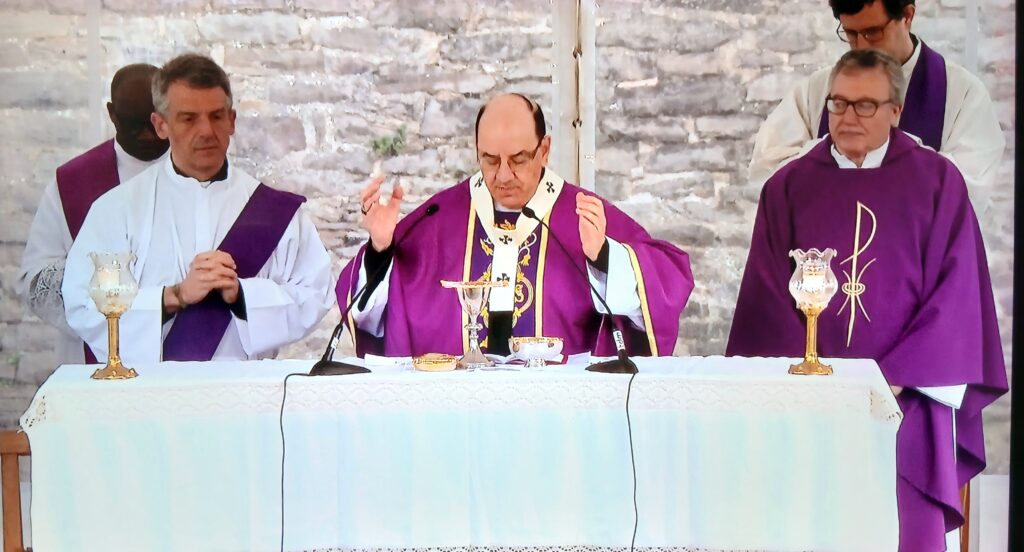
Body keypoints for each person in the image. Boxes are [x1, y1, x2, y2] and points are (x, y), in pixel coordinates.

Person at [727, 50, 1007, 551]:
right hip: (811, 406)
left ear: (895, 111)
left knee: (904, 530)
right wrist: (818, 379)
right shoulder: (788, 187)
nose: (848, 117)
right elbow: (765, 298)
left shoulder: (938, 183)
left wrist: (895, 377)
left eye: (865, 105)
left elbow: (957, 293)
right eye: (838, 103)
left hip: (906, 404)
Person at [337, 93, 693, 358]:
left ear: (544, 150)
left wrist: (602, 257)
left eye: (519, 160)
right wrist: (380, 250)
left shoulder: (581, 213)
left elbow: (668, 280)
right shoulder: (438, 218)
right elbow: (370, 317)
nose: (504, 175)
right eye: (490, 160)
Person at [62, 53, 334, 363]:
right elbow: (83, 304)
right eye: (189, 118)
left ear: (232, 121)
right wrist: (172, 297)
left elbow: (315, 293)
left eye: (216, 116)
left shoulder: (274, 211)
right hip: (149, 388)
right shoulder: (117, 210)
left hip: (246, 387)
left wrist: (242, 295)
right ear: (161, 125)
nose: (206, 130)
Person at [747, 0, 1005, 199]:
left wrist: (879, 157)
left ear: (908, 16)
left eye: (873, 32)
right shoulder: (816, 91)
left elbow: (967, 191)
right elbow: (768, 177)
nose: (861, 47)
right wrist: (834, 153)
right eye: (851, 33)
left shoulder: (963, 94)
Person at [17, 63, 170, 365]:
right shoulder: (72, 182)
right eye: (133, 123)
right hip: (96, 355)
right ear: (112, 114)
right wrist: (109, 292)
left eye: (153, 122)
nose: (147, 134)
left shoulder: (198, 173)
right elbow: (35, 279)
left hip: (181, 350)